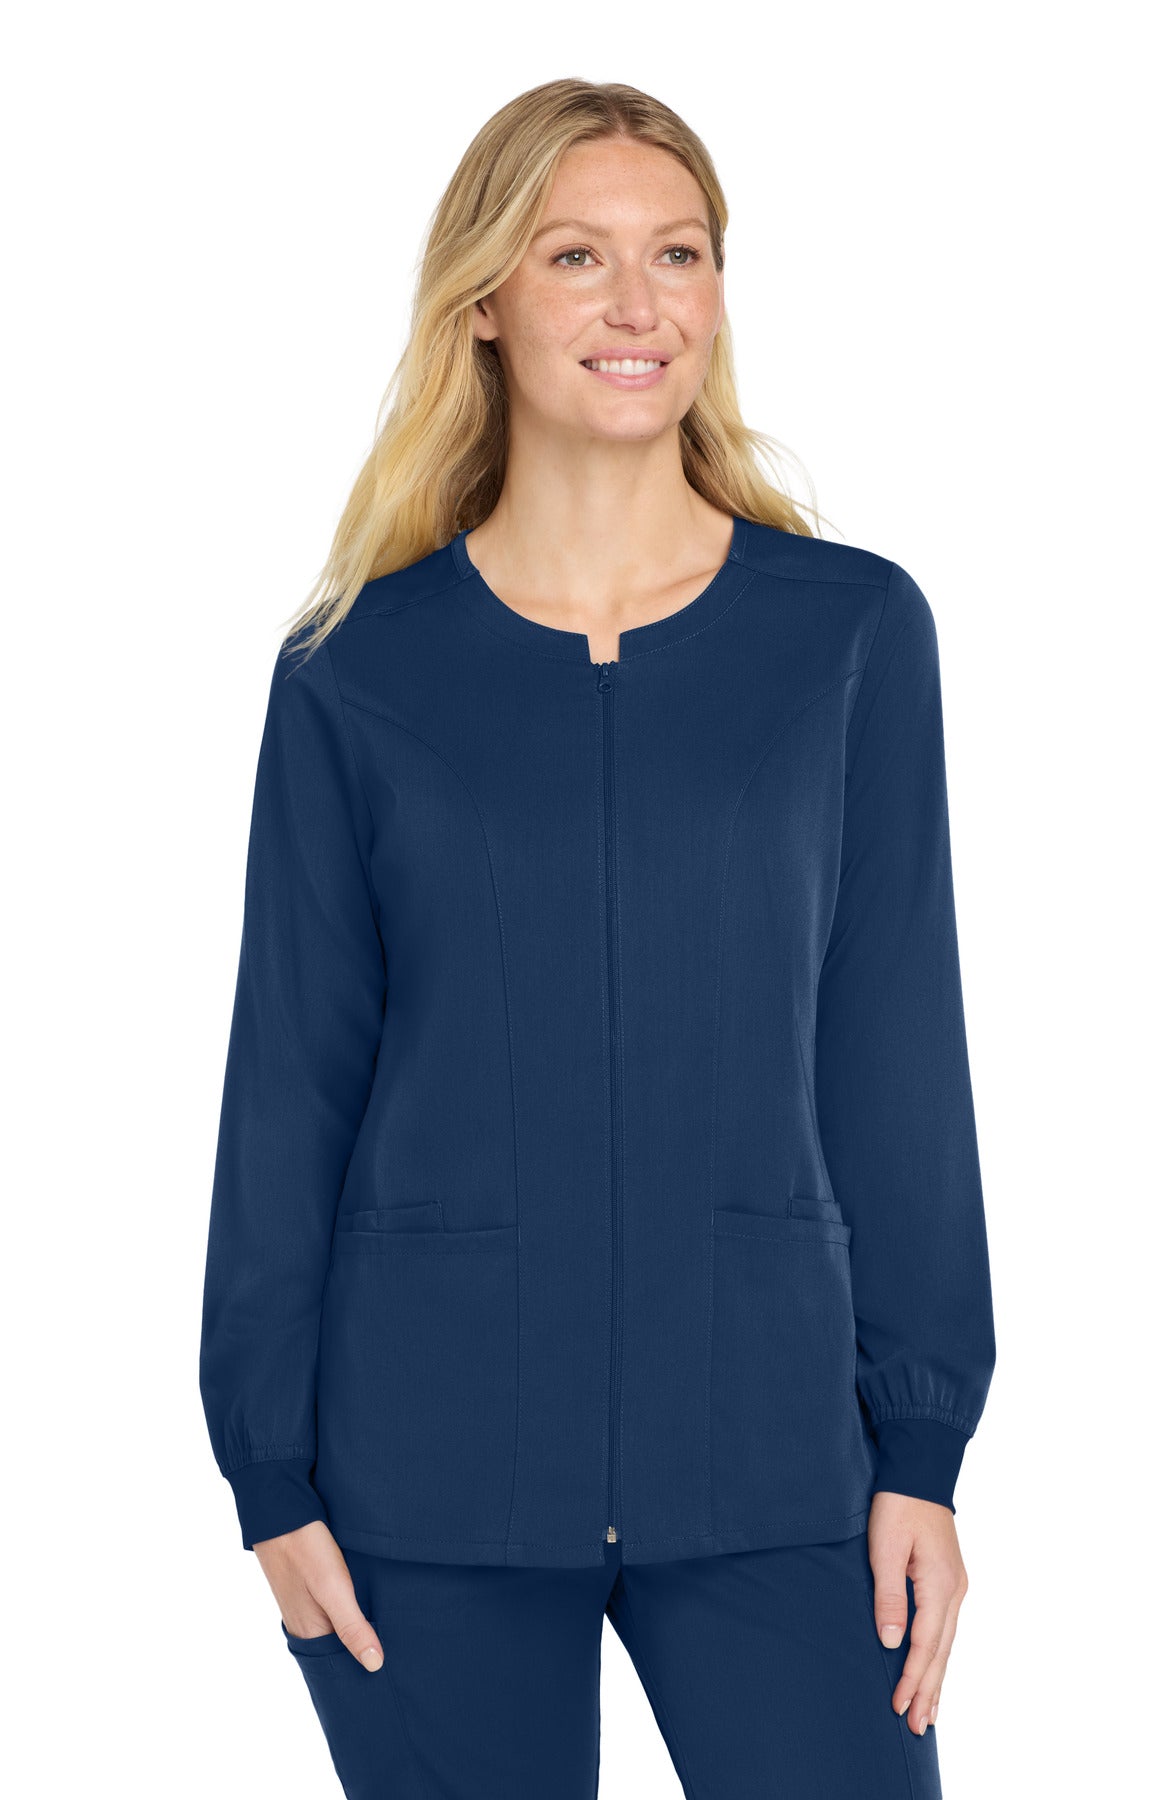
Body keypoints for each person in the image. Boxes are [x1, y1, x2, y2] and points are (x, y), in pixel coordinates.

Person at [198, 76, 996, 1800]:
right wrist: (267, 1471)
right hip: (427, 1469)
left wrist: (922, 1447)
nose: (639, 305)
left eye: (678, 254)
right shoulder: (357, 671)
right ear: (485, 302)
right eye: (578, 256)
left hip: (775, 1452)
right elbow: (291, 1082)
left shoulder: (849, 636)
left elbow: (894, 1055)